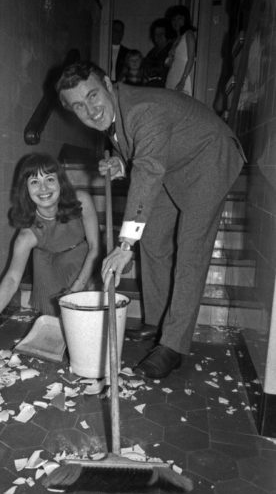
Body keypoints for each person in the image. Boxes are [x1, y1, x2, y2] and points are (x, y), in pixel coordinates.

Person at [55, 61, 245, 380]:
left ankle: (172, 346)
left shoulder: (142, 109)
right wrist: (121, 164)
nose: (90, 109)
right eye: (78, 106)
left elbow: (149, 168)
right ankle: (157, 324)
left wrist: (125, 244)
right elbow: (145, 155)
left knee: (190, 252)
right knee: (155, 241)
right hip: (174, 165)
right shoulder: (116, 113)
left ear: (107, 83)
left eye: (92, 96)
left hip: (210, 157)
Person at [0, 153, 100, 348]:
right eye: (34, 182)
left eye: (49, 179)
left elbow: (95, 248)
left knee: (88, 334)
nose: (43, 188)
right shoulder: (26, 235)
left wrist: (75, 289)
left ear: (60, 182)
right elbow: (13, 278)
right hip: (50, 271)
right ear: (26, 188)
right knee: (56, 339)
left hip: (85, 264)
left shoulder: (81, 200)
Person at [165, 5, 196, 95]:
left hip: (183, 76)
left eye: (179, 18)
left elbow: (191, 58)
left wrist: (183, 80)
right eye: (174, 19)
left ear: (185, 19)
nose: (176, 22)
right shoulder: (175, 39)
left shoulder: (189, 34)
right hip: (172, 76)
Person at [141, 18, 174, 88]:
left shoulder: (172, 50)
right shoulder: (152, 53)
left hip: (166, 89)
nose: (158, 37)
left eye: (161, 34)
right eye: (156, 34)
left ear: (167, 34)